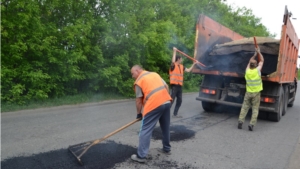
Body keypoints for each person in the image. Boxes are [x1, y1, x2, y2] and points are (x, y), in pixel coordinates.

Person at [130, 65, 173, 163]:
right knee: (165, 127)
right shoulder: (154, 74)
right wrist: (164, 99)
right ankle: (166, 148)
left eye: (132, 74)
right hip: (167, 102)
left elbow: (138, 101)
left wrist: (138, 114)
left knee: (145, 130)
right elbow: (166, 86)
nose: (132, 76)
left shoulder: (139, 82)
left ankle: (141, 156)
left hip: (154, 105)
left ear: (137, 70)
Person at [238, 47, 264, 131]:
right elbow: (262, 61)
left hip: (248, 92)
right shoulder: (257, 71)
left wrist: (254, 55)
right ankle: (251, 124)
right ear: (256, 65)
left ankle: (240, 122)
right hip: (256, 93)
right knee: (255, 109)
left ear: (250, 65)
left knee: (244, 107)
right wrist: (259, 53)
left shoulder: (247, 71)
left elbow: (250, 62)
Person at [169, 47, 197, 118]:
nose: (182, 60)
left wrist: (194, 64)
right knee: (171, 100)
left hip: (179, 86)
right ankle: (165, 114)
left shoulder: (182, 66)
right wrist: (174, 51)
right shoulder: (173, 65)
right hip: (174, 86)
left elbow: (188, 70)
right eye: (181, 59)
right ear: (178, 59)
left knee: (179, 101)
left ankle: (175, 114)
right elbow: (172, 61)